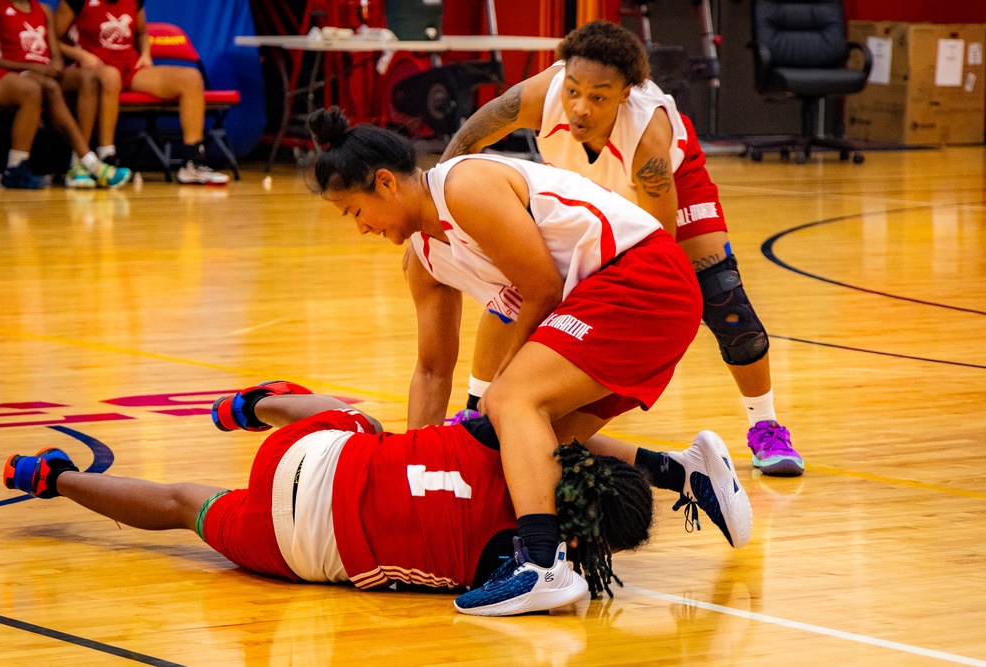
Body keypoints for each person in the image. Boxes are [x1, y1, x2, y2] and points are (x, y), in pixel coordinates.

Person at [307, 107, 751, 615]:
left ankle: (542, 565)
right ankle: (686, 472)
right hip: (605, 298)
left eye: (354, 211)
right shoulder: (425, 259)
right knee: (522, 441)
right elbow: (431, 371)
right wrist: (410, 464)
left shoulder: (464, 185)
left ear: (385, 183)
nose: (360, 227)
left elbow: (540, 287)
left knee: (511, 402)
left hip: (642, 276)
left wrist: (503, 390)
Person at [440, 20, 803, 477]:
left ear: (627, 92)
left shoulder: (648, 139)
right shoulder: (540, 94)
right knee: (519, 286)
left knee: (725, 300)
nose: (580, 108)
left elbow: (659, 256)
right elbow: (467, 140)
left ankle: (765, 426)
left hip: (670, 191)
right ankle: (474, 410)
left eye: (598, 96)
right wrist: (437, 202)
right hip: (582, 190)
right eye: (573, 91)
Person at [3, 380, 661, 615]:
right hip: (302, 549)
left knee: (364, 421)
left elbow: (546, 420)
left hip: (308, 456)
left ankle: (255, 404)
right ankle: (51, 476)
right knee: (182, 502)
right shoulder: (515, 564)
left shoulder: (512, 434)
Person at [53, 0, 229, 185]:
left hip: (129, 68)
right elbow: (53, 40)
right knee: (111, 76)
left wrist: (145, 54)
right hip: (92, 68)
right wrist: (82, 55)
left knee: (191, 79)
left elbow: (142, 32)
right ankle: (106, 156)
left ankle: (193, 164)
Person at [0, 0, 130, 188]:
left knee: (87, 79)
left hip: (41, 74)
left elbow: (55, 54)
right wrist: (33, 68)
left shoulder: (43, 10)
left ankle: (79, 163)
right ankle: (15, 169)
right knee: (37, 89)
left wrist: (54, 67)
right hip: (7, 74)